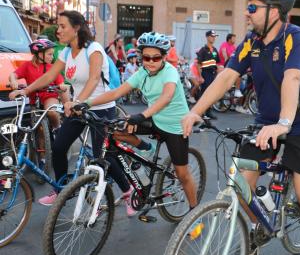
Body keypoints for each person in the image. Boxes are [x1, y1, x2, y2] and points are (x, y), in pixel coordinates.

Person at [181, 0, 300, 255]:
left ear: (274, 12)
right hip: (265, 122)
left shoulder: (296, 38)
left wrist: (284, 123)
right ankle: (259, 219)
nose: (247, 13)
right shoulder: (252, 41)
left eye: (252, 7)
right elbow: (227, 76)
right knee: (240, 184)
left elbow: (292, 78)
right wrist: (196, 110)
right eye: (247, 7)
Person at [9, 11, 132, 208]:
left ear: (76, 28)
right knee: (58, 148)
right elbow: (50, 76)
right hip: (78, 108)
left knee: (103, 157)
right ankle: (61, 189)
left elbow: (93, 79)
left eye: (62, 26)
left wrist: (78, 101)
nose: (58, 30)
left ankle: (127, 190)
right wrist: (27, 90)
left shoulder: (94, 49)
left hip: (101, 109)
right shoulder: (66, 52)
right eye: (58, 26)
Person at [78, 31, 198, 213]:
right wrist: (86, 102)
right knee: (114, 130)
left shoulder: (170, 72)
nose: (150, 62)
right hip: (155, 118)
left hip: (176, 126)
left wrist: (141, 116)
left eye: (156, 58)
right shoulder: (142, 73)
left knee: (182, 174)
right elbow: (116, 93)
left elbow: (166, 97)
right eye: (146, 57)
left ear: (164, 57)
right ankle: (145, 149)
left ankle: (194, 212)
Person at [9, 39, 70, 168]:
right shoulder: (27, 66)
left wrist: (62, 86)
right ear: (39, 54)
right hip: (34, 99)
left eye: (52, 54)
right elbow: (13, 75)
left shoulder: (52, 68)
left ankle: (57, 128)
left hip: (49, 95)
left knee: (52, 111)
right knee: (39, 132)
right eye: (49, 54)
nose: (52, 57)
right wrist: (13, 81)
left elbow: (60, 82)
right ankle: (42, 159)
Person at [196, 30, 221, 119]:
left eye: (214, 36)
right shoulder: (203, 50)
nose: (213, 38)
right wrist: (200, 76)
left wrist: (218, 73)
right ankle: (201, 112)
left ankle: (209, 111)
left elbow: (217, 63)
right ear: (207, 37)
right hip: (205, 74)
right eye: (212, 36)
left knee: (211, 94)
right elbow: (198, 64)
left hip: (213, 74)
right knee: (204, 93)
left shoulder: (215, 50)